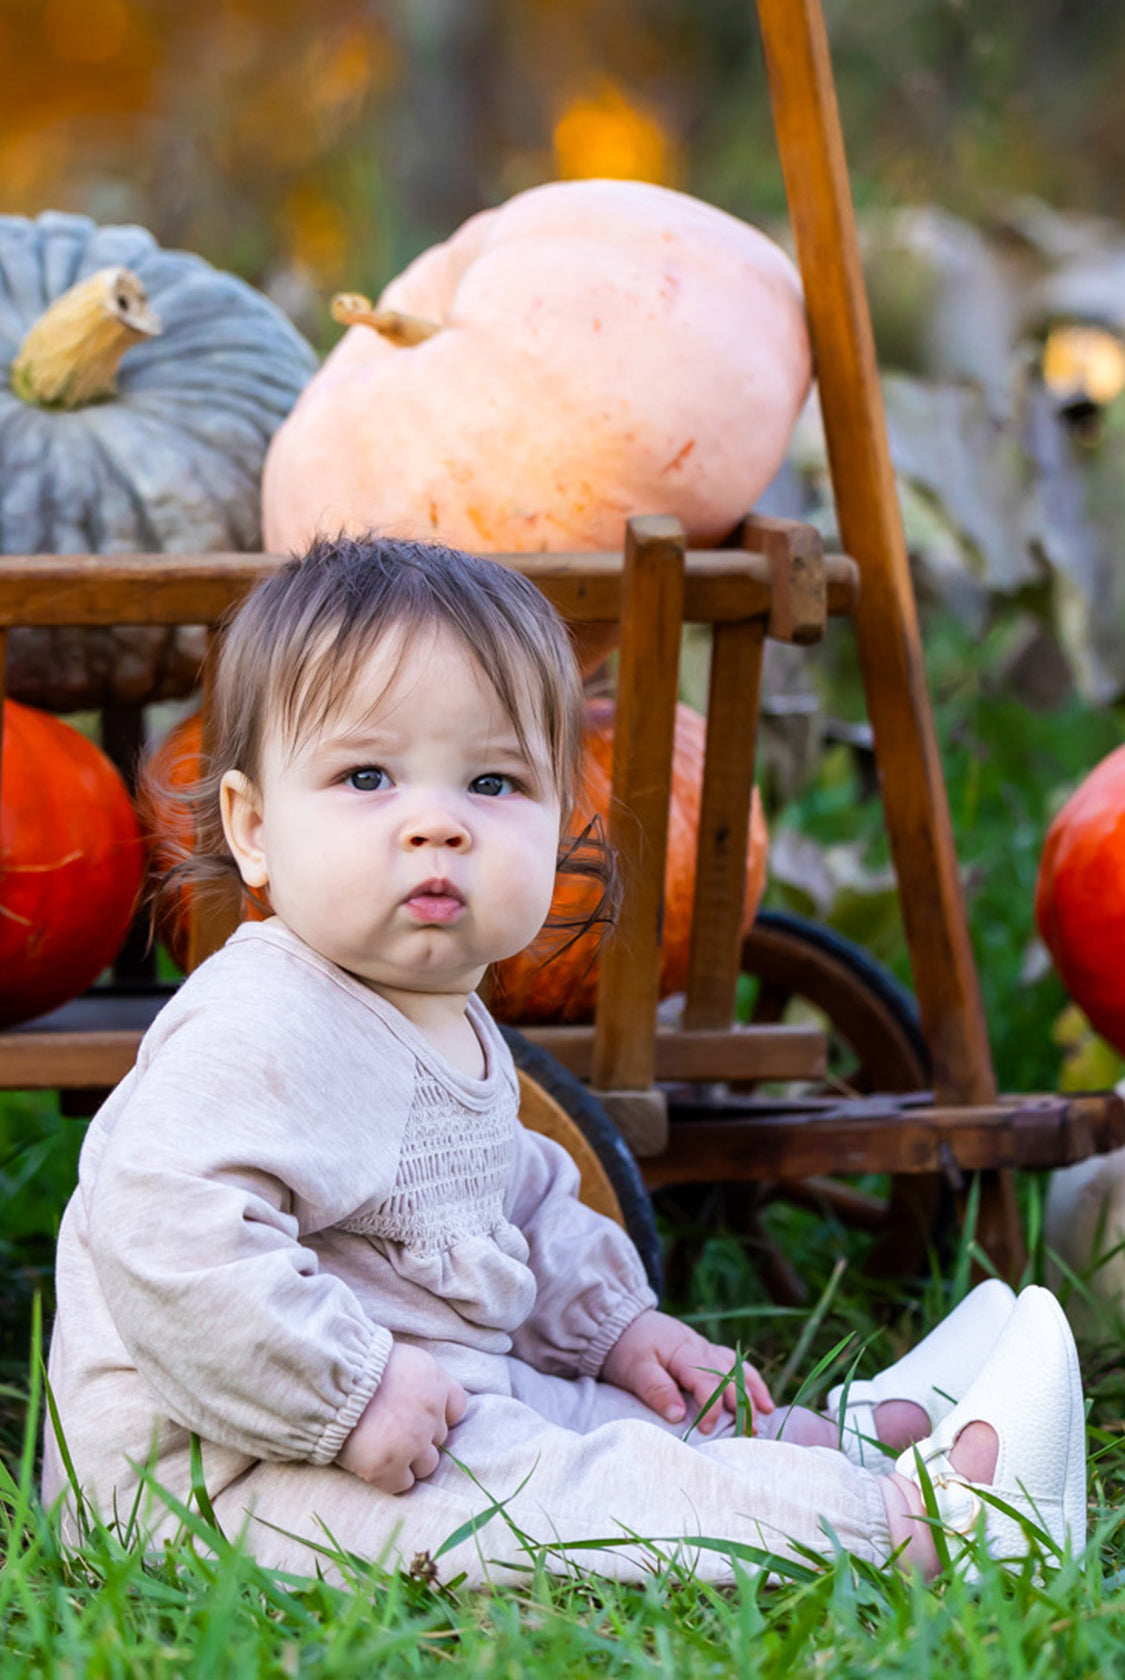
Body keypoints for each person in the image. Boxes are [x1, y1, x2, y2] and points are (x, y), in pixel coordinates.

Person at [44, 534, 1086, 1587]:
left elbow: (522, 1195)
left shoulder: (436, 1008)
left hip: (425, 1396)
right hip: (226, 1477)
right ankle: (919, 1527)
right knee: (561, 1492)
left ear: (560, 821)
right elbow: (168, 1232)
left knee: (599, 1420)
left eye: (493, 782)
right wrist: (347, 1392)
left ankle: (830, 1444)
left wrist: (616, 1328)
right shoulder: (261, 1019)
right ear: (254, 828)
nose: (436, 824)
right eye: (367, 776)